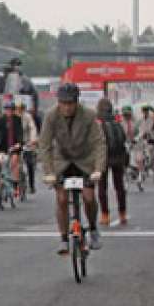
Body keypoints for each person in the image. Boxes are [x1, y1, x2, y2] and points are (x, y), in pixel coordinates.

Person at [38, 83, 106, 254]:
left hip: (85, 161)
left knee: (89, 197)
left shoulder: (89, 115)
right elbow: (44, 145)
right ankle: (63, 238)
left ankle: (92, 228)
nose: (67, 107)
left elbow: (99, 143)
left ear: (77, 102)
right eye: (63, 103)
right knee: (61, 199)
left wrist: (98, 169)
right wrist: (49, 172)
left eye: (70, 103)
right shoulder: (51, 116)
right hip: (62, 161)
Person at [96, 99, 129, 226]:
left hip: (103, 158)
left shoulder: (98, 124)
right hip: (118, 158)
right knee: (119, 187)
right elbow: (124, 139)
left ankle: (105, 215)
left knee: (102, 188)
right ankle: (122, 213)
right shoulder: (117, 123)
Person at [17, 101, 40, 193]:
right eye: (17, 109)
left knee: (29, 163)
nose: (19, 111)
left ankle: (31, 185)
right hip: (16, 143)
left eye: (21, 109)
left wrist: (33, 140)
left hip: (27, 142)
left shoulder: (27, 117)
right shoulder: (12, 117)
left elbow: (32, 128)